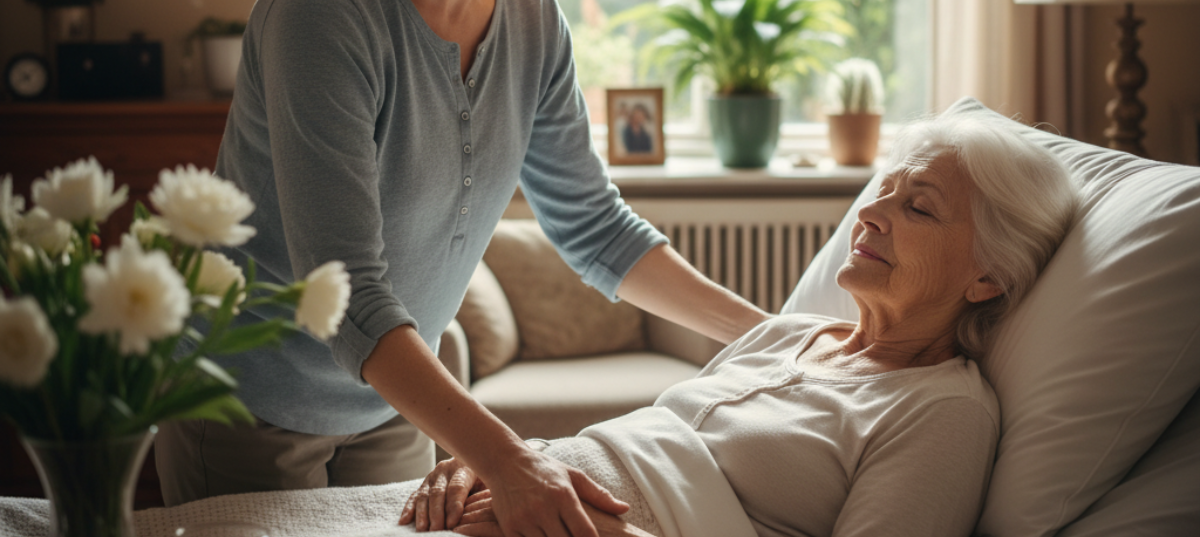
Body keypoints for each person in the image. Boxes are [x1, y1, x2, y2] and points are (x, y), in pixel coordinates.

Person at [153, 0, 769, 537]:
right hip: (250, 406)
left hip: (397, 400)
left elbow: (595, 229)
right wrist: (507, 457)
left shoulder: (533, 19)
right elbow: (346, 296)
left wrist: (772, 338)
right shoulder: (323, 8)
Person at [403, 110, 1081, 537]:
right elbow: (635, 450)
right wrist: (503, 459)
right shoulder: (791, 334)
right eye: (883, 192)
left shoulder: (943, 411)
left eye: (921, 209)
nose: (870, 216)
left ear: (987, 277)